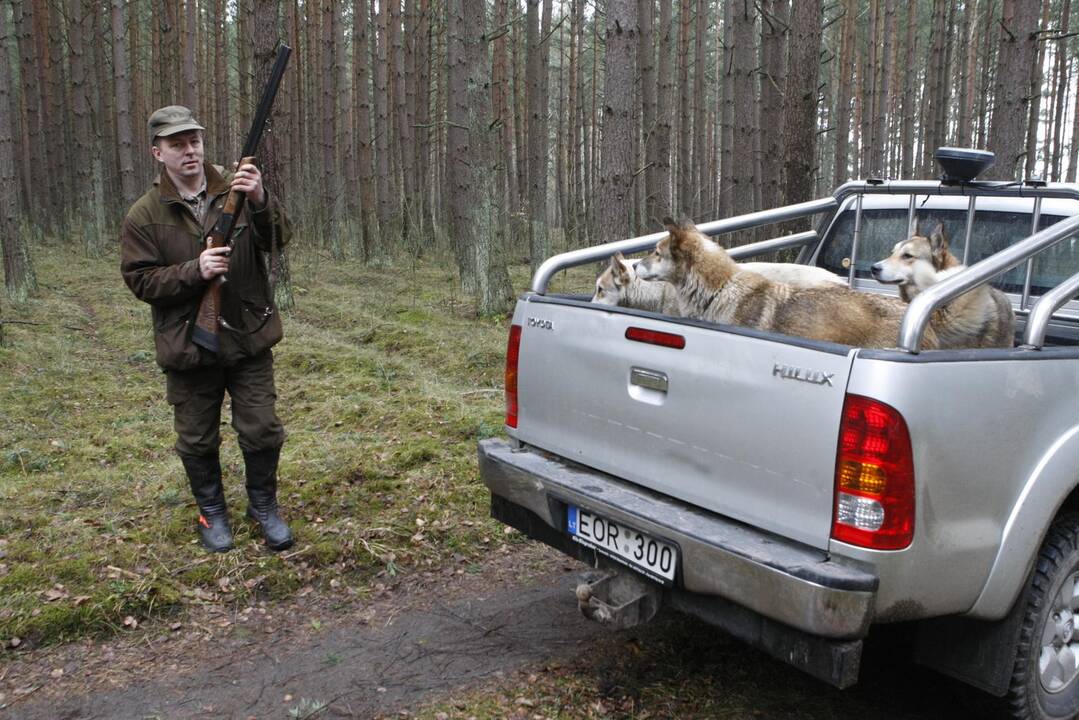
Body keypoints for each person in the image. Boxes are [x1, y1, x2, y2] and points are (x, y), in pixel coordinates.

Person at [120, 105, 294, 553]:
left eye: (193, 140)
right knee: (197, 436)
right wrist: (193, 271)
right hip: (188, 343)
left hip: (248, 335)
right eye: (176, 144)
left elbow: (278, 240)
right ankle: (211, 513)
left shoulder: (236, 187)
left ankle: (263, 507)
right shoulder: (144, 214)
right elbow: (140, 280)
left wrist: (259, 200)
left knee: (261, 428)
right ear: (157, 152)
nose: (189, 151)